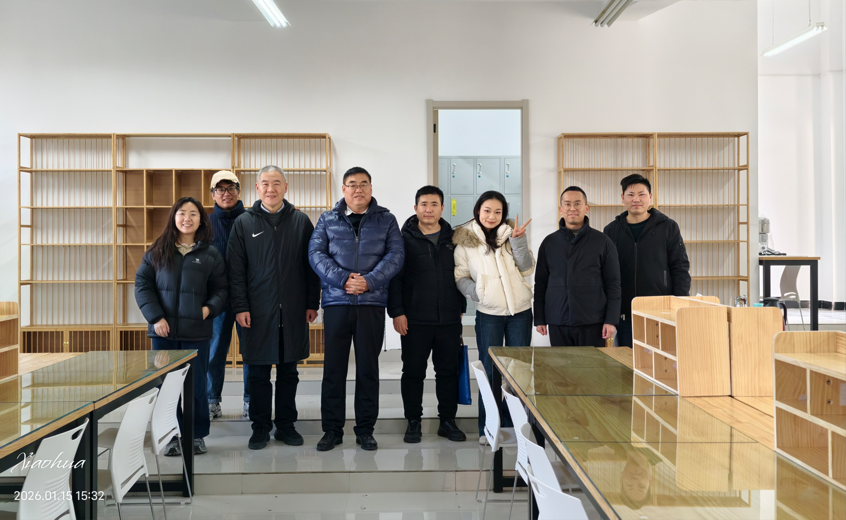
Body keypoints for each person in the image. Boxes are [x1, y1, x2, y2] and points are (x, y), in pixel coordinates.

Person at [309, 166, 404, 452]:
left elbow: (396, 255)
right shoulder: (328, 219)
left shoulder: (386, 219)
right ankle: (332, 430)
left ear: (371, 188)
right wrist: (343, 279)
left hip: (371, 303)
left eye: (363, 184)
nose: (358, 189)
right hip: (337, 303)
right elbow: (316, 254)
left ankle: (365, 430)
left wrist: (369, 281)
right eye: (352, 184)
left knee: (367, 369)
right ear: (343, 189)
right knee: (333, 369)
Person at [227, 165, 321, 450]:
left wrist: (311, 303)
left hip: (293, 310)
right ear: (257, 188)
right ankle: (260, 427)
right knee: (257, 373)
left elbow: (311, 267)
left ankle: (286, 425)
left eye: (277, 183)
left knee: (289, 371)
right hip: (257, 311)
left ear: (286, 187)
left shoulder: (301, 221)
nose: (271, 188)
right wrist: (240, 306)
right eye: (265, 183)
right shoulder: (243, 223)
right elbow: (235, 270)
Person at [135, 196, 227, 456]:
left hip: (197, 332)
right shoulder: (157, 250)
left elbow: (221, 289)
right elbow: (142, 286)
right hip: (163, 333)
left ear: (201, 220)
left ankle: (196, 435)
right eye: (182, 213)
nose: (187, 218)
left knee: (196, 386)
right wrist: (155, 318)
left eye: (193, 214)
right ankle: (171, 435)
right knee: (165, 386)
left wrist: (208, 310)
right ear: (174, 217)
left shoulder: (210, 254)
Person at [388, 185, 467, 444]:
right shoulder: (402, 239)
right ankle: (413, 421)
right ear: (415, 208)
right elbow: (395, 279)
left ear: (442, 208)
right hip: (414, 319)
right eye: (424, 204)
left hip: (448, 319)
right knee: (413, 372)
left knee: (448, 372)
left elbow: (462, 274)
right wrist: (397, 312)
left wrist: (461, 308)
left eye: (434, 204)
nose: (429, 209)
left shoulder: (453, 239)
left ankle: (447, 421)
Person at [453, 190, 534, 442]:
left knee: (518, 371)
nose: (492, 216)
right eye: (487, 210)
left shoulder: (512, 235)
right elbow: (460, 276)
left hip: (520, 312)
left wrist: (519, 241)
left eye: (498, 212)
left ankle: (516, 427)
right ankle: (488, 428)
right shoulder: (465, 241)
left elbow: (527, 268)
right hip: (489, 314)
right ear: (478, 211)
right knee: (490, 371)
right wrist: (479, 293)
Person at [603, 174, 690, 348]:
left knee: (661, 359)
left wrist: (679, 306)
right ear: (622, 198)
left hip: (661, 311)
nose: (636, 199)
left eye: (641, 194)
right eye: (630, 194)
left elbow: (680, 268)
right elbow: (606, 274)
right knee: (627, 360)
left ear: (650, 197)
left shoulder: (668, 227)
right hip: (625, 313)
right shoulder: (611, 231)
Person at [534, 186, 621, 349]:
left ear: (586, 208)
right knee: (561, 365)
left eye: (577, 204)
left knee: (593, 365)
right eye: (567, 204)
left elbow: (613, 284)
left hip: (592, 321)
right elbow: (540, 283)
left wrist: (611, 320)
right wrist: (539, 318)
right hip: (558, 319)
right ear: (561, 209)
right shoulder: (549, 242)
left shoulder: (603, 241)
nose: (572, 208)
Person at [205, 170, 250, 421]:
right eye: (220, 189)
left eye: (231, 188)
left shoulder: (253, 219)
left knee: (251, 353)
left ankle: (250, 401)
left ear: (239, 192)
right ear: (213, 194)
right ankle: (212, 400)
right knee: (214, 352)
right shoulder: (204, 223)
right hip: (216, 299)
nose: (226, 193)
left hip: (248, 298)